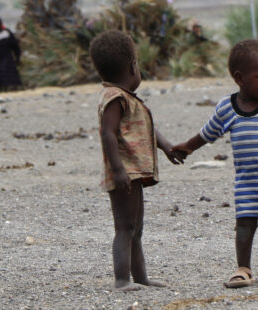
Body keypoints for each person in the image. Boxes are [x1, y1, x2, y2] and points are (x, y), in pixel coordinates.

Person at [171, 39, 258, 289]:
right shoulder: (227, 108)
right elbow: (207, 133)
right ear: (240, 78)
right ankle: (243, 268)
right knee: (244, 225)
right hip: (246, 183)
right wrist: (188, 146)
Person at [90, 30, 185, 291]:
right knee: (125, 227)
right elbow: (107, 133)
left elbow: (147, 129)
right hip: (125, 173)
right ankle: (122, 279)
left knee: (135, 228)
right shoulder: (115, 98)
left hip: (133, 173)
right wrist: (118, 170)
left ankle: (141, 277)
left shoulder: (126, 98)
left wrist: (167, 147)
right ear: (133, 67)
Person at [0, 18, 22, 92]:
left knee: (11, 72)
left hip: (8, 56)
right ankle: (3, 88)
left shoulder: (7, 33)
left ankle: (15, 87)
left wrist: (17, 56)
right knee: (0, 73)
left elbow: (14, 45)